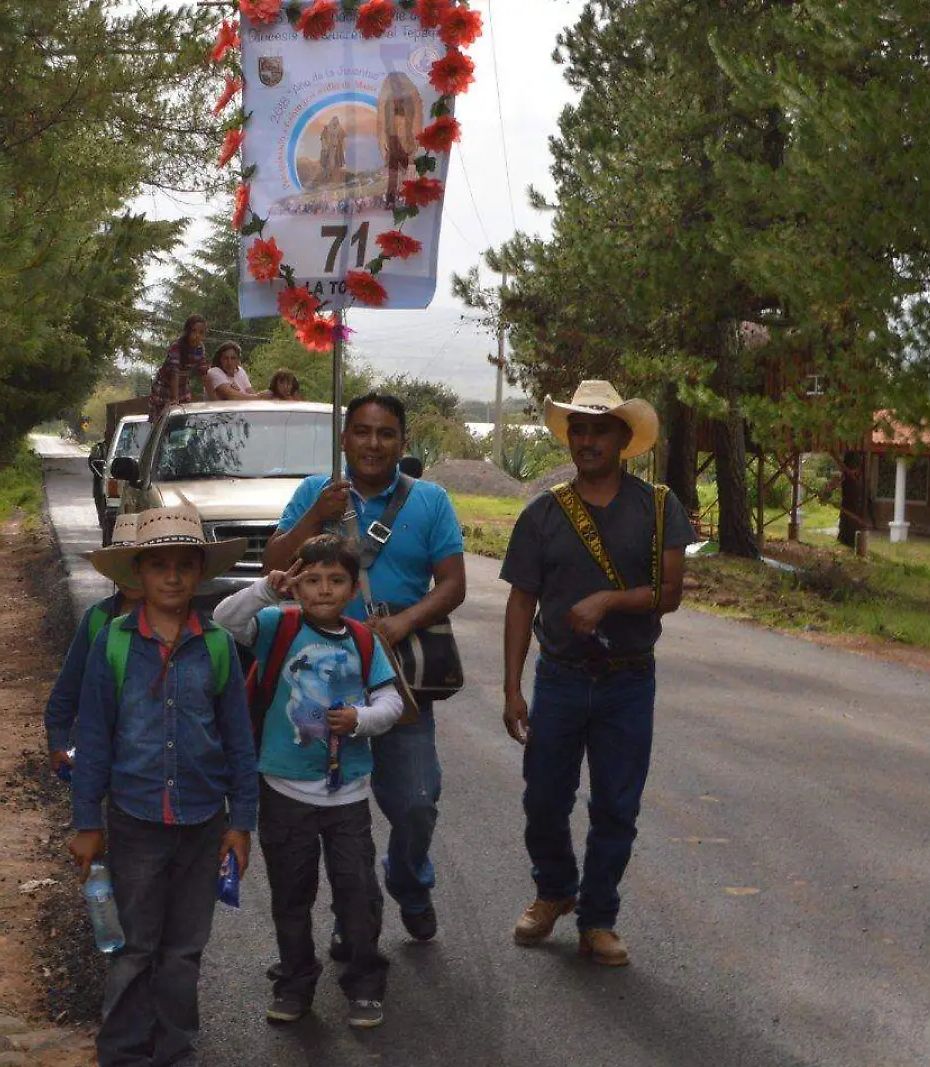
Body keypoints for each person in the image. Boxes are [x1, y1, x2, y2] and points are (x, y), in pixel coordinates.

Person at [499, 380, 694, 967]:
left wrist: (608, 601)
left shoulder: (660, 508)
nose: (586, 440)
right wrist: (512, 687)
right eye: (578, 429)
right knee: (544, 798)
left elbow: (671, 592)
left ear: (623, 438)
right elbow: (520, 603)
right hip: (558, 677)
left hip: (629, 681)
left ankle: (598, 917)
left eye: (598, 429)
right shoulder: (542, 514)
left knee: (616, 805)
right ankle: (554, 888)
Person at [264, 394, 466, 943]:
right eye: (361, 432)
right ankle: (352, 916)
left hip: (396, 671)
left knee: (416, 800)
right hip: (321, 676)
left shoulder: (430, 501)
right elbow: (273, 566)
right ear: (345, 439)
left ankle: (409, 880)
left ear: (403, 442)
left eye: (385, 434)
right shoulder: (315, 493)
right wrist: (316, 518)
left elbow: (452, 584)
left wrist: (403, 624)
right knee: (331, 814)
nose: (373, 444)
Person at [69, 504, 258, 1067]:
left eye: (184, 565)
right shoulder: (115, 644)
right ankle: (123, 1051)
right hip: (135, 822)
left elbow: (238, 741)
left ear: (199, 572)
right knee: (133, 947)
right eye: (159, 566)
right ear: (138, 575)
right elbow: (95, 738)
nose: (172, 577)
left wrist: (241, 822)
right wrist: (86, 822)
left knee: (183, 950)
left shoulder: (219, 646)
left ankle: (176, 1050)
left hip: (202, 823)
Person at [213, 534, 402, 1030]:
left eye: (336, 580)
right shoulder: (278, 625)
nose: (323, 590)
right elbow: (223, 620)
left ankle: (364, 984)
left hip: (349, 795)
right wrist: (265, 590)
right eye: (312, 580)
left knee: (356, 893)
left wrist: (360, 719)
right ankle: (294, 984)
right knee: (291, 896)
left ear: (353, 587)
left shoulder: (364, 639)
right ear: (297, 584)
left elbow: (393, 703)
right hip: (284, 791)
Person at [44, 512, 143, 777]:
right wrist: (58, 741)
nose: (128, 576)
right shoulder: (97, 618)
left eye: (136, 567)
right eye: (119, 567)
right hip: (102, 753)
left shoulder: (183, 627)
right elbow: (70, 684)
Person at [149, 315, 210, 422]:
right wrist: (175, 399)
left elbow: (204, 373)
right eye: (194, 331)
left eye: (201, 333)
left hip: (182, 386)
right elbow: (174, 373)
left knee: (182, 419)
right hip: (164, 387)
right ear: (187, 332)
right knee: (161, 418)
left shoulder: (200, 349)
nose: (197, 336)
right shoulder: (177, 346)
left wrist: (213, 399)